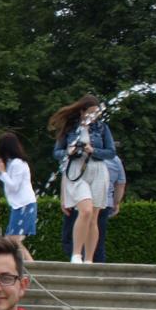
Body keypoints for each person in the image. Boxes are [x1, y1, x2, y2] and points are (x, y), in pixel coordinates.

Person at [49, 95, 115, 264]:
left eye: (97, 112)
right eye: (92, 112)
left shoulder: (102, 128)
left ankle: (89, 259)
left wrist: (92, 150)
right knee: (85, 210)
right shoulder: (70, 128)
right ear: (82, 111)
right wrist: (68, 152)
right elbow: (57, 153)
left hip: (98, 169)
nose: (95, 116)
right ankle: (76, 254)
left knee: (93, 216)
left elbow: (111, 152)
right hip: (76, 170)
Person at [0, 133, 37, 265]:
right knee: (11, 239)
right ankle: (30, 264)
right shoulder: (15, 164)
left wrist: (2, 172)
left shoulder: (17, 164)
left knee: (12, 239)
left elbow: (14, 186)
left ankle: (28, 265)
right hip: (20, 205)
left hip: (24, 205)